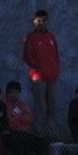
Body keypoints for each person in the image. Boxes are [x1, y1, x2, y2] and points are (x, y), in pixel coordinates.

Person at [23, 9, 60, 137]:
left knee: (52, 106)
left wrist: (55, 71)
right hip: (38, 77)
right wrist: (37, 68)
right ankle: (38, 135)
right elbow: (27, 56)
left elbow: (56, 55)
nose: (41, 23)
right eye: (38, 21)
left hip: (52, 77)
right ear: (34, 21)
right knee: (40, 107)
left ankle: (50, 135)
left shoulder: (51, 37)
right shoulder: (31, 37)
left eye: (44, 20)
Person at [2, 80, 50, 155]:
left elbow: (30, 118)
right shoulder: (3, 104)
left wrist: (17, 119)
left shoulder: (22, 104)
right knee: (20, 143)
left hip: (24, 132)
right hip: (10, 133)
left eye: (16, 92)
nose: (13, 94)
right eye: (11, 92)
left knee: (43, 143)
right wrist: (21, 122)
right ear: (7, 93)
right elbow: (10, 121)